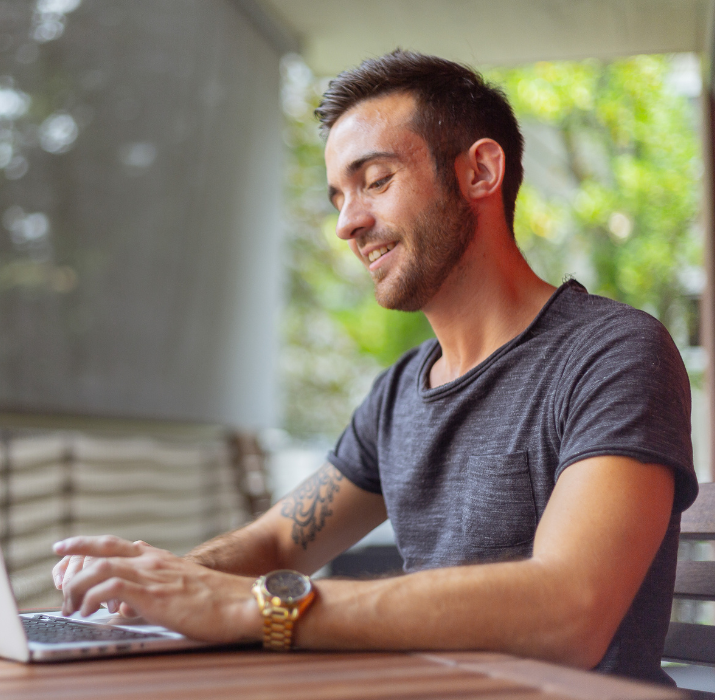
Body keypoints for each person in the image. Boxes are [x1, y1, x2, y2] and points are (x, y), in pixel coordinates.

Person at [52, 50, 698, 685]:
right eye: (338, 195)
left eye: (376, 180)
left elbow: (569, 611)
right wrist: (162, 583)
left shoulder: (612, 354)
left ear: (480, 172)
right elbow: (281, 544)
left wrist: (254, 606)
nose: (346, 223)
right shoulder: (399, 394)